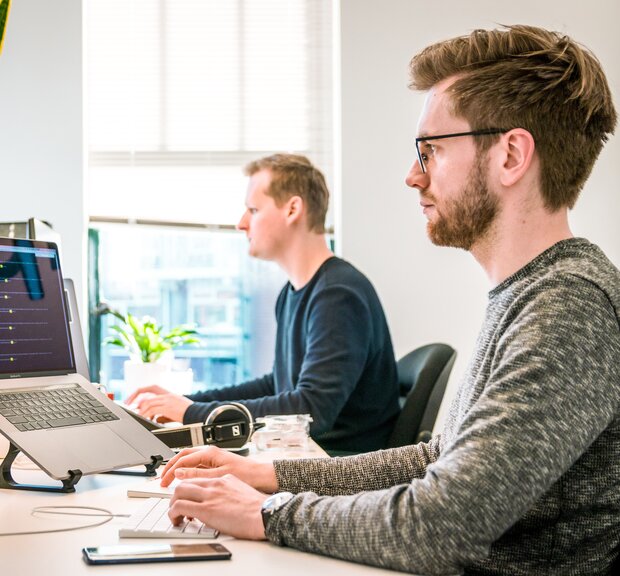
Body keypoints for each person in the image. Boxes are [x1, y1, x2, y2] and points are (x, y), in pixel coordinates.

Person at [156, 25, 620, 575]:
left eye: (430, 151)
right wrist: (271, 475)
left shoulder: (568, 305)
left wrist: (267, 512)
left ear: (511, 155)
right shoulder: (529, 293)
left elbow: (439, 525)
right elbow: (438, 459)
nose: (412, 175)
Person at [127, 153, 400, 454]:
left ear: (293, 209)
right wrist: (189, 403)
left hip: (337, 468)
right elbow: (278, 385)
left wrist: (192, 414)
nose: (241, 224)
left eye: (253, 210)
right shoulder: (294, 292)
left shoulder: (338, 295)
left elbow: (311, 411)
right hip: (307, 456)